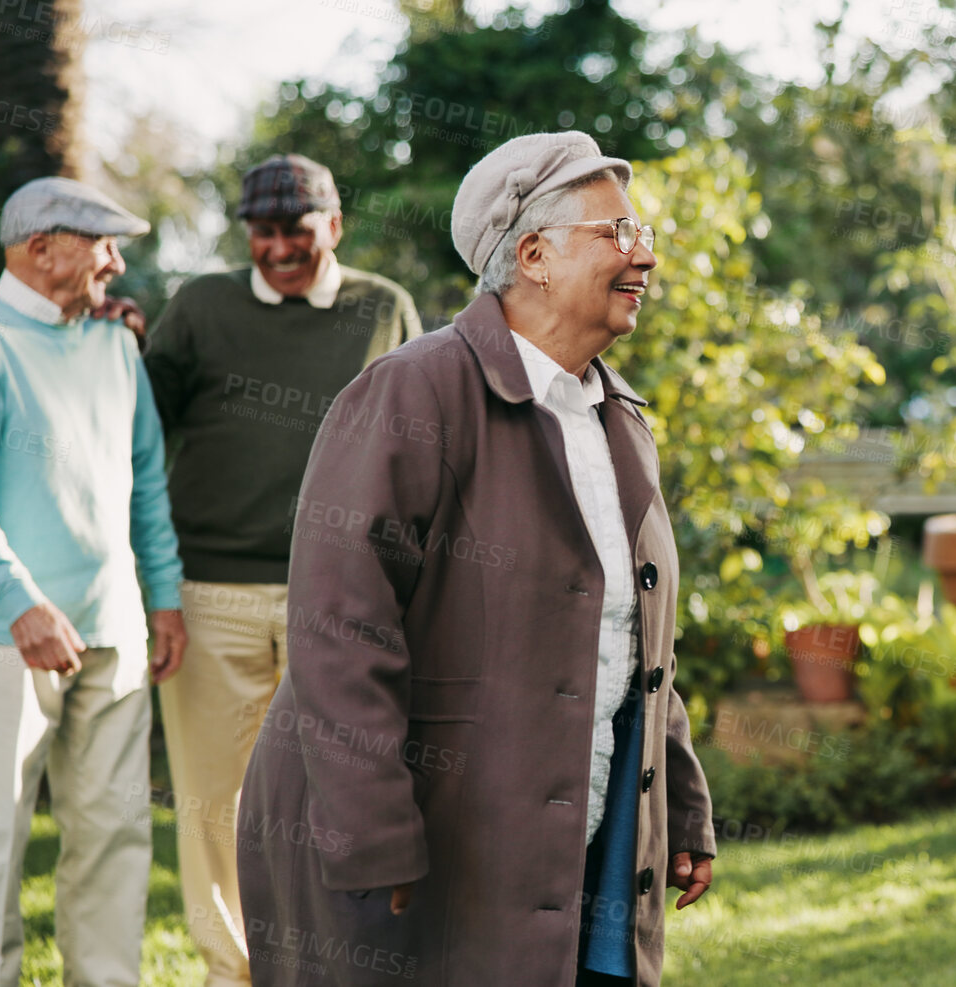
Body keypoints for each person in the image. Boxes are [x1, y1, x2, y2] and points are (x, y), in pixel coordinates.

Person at [237, 130, 716, 986]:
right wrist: (371, 828)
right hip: (427, 841)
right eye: (617, 232)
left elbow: (637, 640)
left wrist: (674, 804)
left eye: (641, 234)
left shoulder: (617, 417)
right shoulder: (414, 391)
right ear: (533, 254)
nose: (643, 253)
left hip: (580, 830)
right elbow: (339, 627)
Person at [141, 153, 422, 987]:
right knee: (210, 803)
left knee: (340, 793)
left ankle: (327, 965)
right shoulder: (199, 306)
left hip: (342, 595)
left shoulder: (384, 307)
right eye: (263, 233)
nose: (279, 248)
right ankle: (233, 971)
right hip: (212, 590)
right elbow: (136, 423)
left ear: (333, 225)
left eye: (295, 230)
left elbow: (417, 440)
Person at [0, 176, 188, 987]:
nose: (115, 263)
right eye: (101, 242)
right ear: (42, 248)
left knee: (114, 830)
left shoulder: (115, 342)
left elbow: (145, 479)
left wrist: (165, 595)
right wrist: (21, 603)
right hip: (1, 636)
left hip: (114, 629)